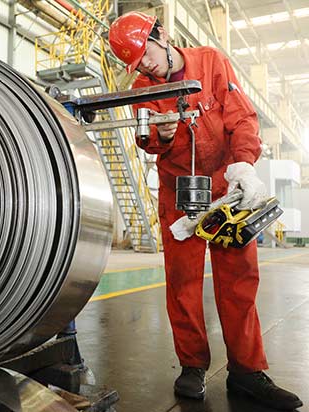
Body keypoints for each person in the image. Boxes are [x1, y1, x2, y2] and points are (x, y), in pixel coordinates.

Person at [108, 11, 302, 410]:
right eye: (136, 63)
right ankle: (192, 365)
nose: (144, 65)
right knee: (183, 283)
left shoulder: (211, 61)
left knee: (238, 279)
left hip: (225, 187)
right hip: (178, 193)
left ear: (160, 35)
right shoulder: (143, 88)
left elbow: (242, 117)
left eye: (145, 53)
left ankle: (247, 371)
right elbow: (148, 144)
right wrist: (161, 136)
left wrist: (245, 163)